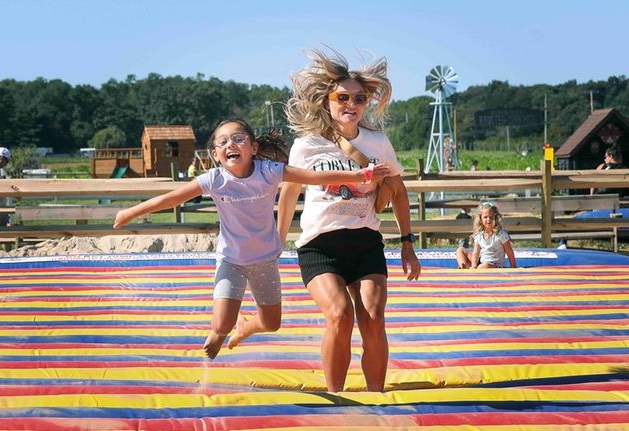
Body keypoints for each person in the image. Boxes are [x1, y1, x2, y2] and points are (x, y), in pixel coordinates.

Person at [113, 118, 391, 360]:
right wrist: (131, 212)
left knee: (272, 324)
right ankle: (221, 332)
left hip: (265, 262)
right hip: (231, 261)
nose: (230, 145)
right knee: (222, 323)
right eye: (223, 142)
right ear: (216, 154)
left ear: (253, 147)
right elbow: (171, 198)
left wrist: (357, 175)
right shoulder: (214, 180)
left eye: (238, 139)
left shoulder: (268, 172)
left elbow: (313, 176)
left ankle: (246, 326)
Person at [277, 49, 421, 392]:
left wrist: (407, 245)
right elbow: (288, 194)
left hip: (365, 243)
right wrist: (274, 242)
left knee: (373, 318)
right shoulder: (306, 145)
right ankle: (336, 397)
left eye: (360, 97)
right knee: (340, 315)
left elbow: (399, 192)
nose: (351, 104)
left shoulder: (377, 142)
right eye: (343, 97)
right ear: (327, 101)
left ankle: (376, 398)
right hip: (319, 246)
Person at [456, 202, 516, 269]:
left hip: (494, 264)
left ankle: (474, 268)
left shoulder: (501, 234)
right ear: (480, 219)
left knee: (486, 265)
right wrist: (474, 265)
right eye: (485, 217)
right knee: (460, 250)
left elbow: (509, 252)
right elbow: (476, 253)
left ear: (495, 218)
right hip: (481, 262)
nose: (488, 219)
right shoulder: (479, 236)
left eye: (491, 217)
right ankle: (463, 266)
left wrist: (513, 267)